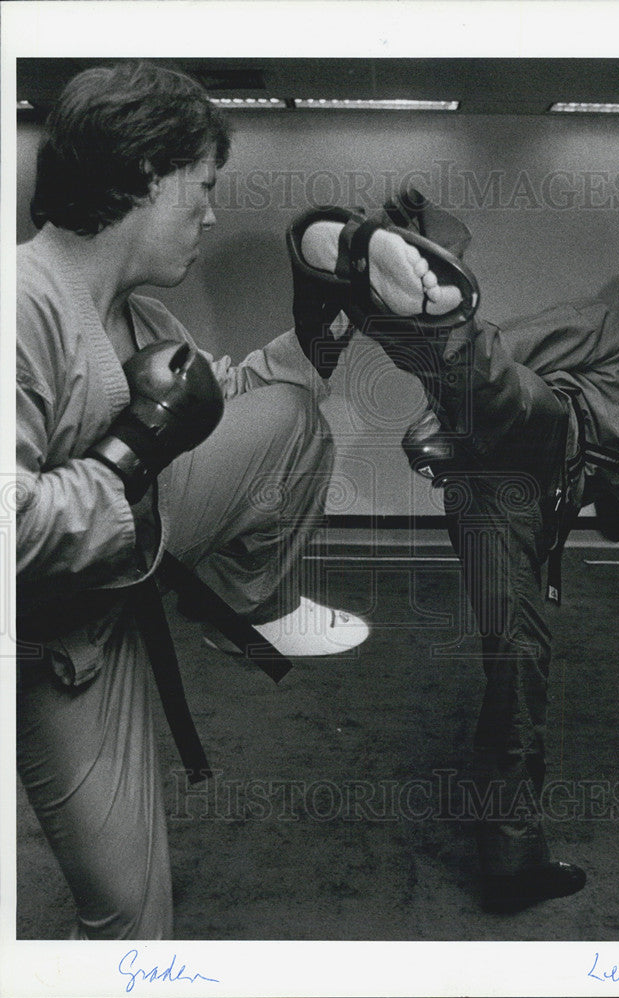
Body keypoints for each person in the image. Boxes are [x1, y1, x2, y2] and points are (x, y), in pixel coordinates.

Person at [15, 62, 462, 939]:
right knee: (127, 919)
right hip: (56, 649)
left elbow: (224, 405)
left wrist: (326, 330)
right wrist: (131, 449)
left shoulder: (146, 318)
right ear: (146, 176)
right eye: (203, 187)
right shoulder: (19, 305)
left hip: (122, 599)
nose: (212, 212)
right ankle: (243, 602)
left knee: (289, 406)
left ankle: (247, 601)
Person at [290, 193, 619, 913]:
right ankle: (396, 293)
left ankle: (511, 857)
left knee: (518, 664)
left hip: (521, 511)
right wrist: (441, 420)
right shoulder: (605, 329)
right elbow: (510, 348)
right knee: (526, 403)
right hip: (529, 438)